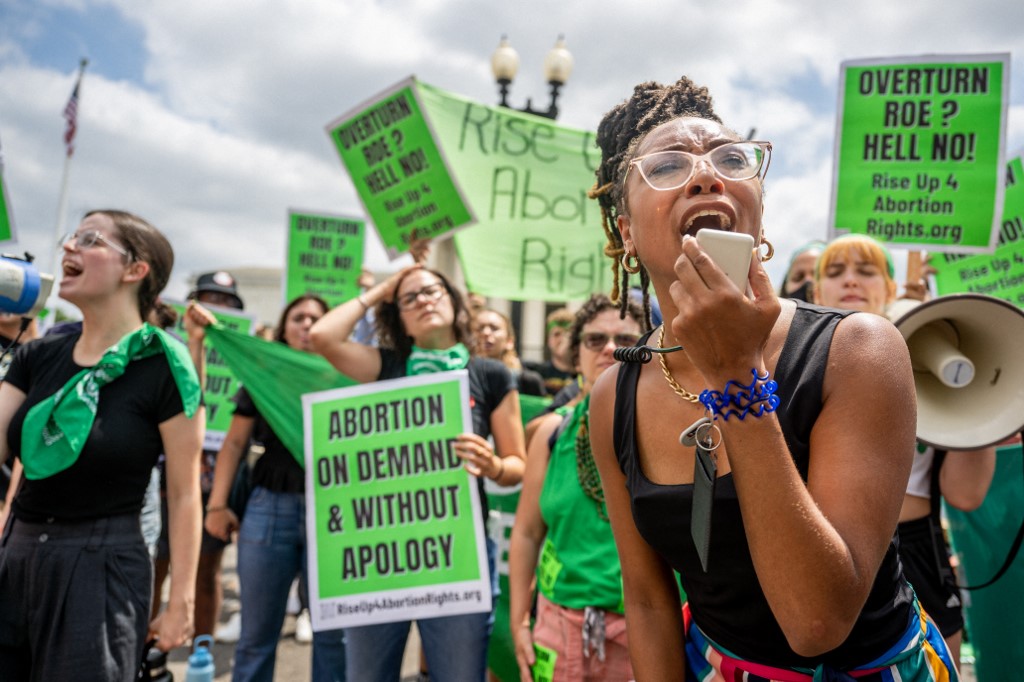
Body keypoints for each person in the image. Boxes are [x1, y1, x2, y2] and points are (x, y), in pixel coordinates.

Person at [586, 77, 957, 679]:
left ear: (759, 215)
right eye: (667, 166)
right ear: (626, 232)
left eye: (732, 158)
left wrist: (735, 379)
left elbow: (816, 623)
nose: (706, 175)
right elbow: (650, 600)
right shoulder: (613, 396)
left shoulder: (858, 349)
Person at [0, 209, 203, 678]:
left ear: (135, 270)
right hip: (18, 556)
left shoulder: (164, 368)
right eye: (72, 237)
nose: (69, 246)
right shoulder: (37, 355)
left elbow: (184, 492)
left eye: (89, 240)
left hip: (102, 567)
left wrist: (180, 603)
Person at [310, 264, 527, 682]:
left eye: (432, 291)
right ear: (399, 317)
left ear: (453, 300)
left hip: (458, 553)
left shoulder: (491, 374)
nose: (424, 300)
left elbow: (517, 465)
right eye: (409, 298)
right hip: (383, 554)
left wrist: (493, 465)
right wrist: (380, 291)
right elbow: (322, 337)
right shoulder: (385, 365)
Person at [813, 233, 995, 666]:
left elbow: (965, 494)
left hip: (917, 550)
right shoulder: (794, 364)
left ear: (890, 290)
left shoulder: (925, 354)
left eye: (867, 270)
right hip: (825, 545)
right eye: (835, 273)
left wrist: (983, 402)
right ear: (816, 292)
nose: (851, 281)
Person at [189, 294, 346, 682]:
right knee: (257, 637)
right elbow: (235, 444)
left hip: (336, 514)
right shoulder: (264, 375)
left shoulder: (348, 374)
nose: (307, 325)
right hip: (268, 509)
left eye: (316, 319)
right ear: (283, 327)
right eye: (298, 318)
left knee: (332, 636)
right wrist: (217, 505)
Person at [509, 294, 644, 681]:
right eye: (595, 339)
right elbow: (526, 533)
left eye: (627, 340)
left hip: (642, 634)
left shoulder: (668, 432)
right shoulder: (553, 433)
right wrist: (520, 621)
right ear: (576, 353)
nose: (610, 349)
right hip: (557, 630)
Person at [152, 270, 244, 642]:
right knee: (154, 569)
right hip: (164, 481)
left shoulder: (243, 358)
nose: (215, 307)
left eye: (225, 302)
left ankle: (201, 649)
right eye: (209, 298)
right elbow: (189, 397)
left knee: (207, 573)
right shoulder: (166, 349)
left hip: (212, 485)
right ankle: (144, 648)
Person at [473, 308, 545, 397]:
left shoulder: (528, 382)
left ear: (509, 341)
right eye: (479, 328)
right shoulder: (459, 376)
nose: (486, 333)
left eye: (494, 328)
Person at [524, 308, 576, 398]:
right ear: (548, 340)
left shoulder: (584, 375)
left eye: (567, 335)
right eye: (557, 334)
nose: (561, 340)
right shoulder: (537, 373)